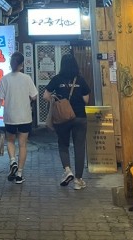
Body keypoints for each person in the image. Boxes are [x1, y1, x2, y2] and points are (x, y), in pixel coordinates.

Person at [43, 53, 91, 190]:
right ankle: (78, 180)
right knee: (79, 147)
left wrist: (55, 99)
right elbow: (86, 100)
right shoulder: (80, 80)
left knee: (63, 144)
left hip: (62, 118)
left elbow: (45, 96)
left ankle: (67, 170)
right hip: (80, 117)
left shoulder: (57, 79)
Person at [0, 51, 37, 184]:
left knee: (10, 141)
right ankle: (19, 174)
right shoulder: (27, 78)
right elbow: (34, 96)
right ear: (21, 64)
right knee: (23, 145)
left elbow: (0, 99)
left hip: (10, 116)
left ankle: (13, 161)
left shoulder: (4, 79)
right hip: (25, 117)